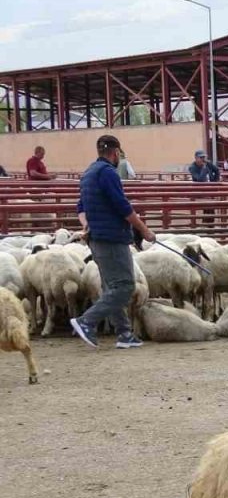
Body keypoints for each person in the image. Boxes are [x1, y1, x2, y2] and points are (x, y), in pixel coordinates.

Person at [68, 134, 156, 350]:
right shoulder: (108, 173)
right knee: (125, 286)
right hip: (112, 238)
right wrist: (144, 230)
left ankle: (124, 333)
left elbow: (81, 207)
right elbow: (122, 206)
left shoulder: (89, 173)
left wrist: (86, 225)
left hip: (96, 239)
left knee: (111, 287)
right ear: (116, 153)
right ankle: (86, 321)